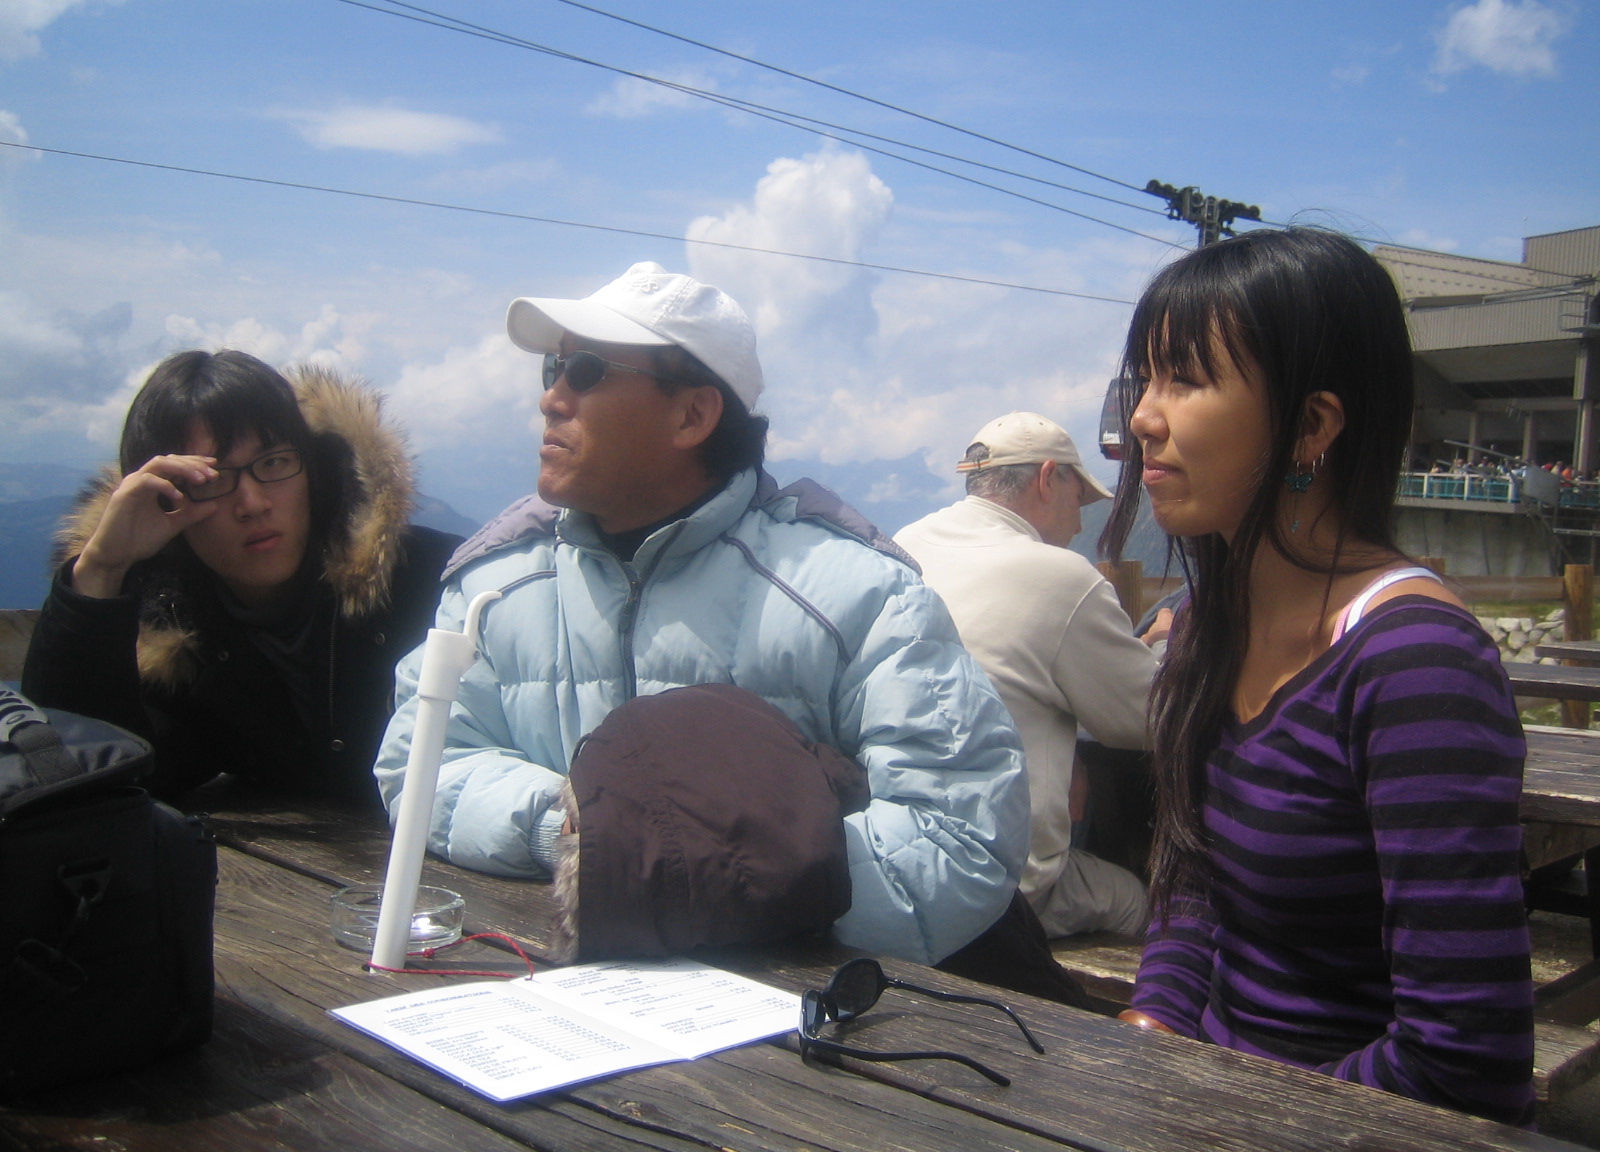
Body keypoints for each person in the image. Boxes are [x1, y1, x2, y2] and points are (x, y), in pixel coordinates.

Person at [375, 262, 1033, 971]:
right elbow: (422, 763)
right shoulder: (498, 585)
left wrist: (694, 874)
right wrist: (578, 834)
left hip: (785, 1017)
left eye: (587, 371)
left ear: (692, 415)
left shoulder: (861, 597)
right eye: (553, 368)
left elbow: (960, 836)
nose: (552, 398)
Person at [1104, 229, 1535, 1126]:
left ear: (1312, 426)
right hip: (1211, 1099)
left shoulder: (1415, 666)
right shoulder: (1207, 630)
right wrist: (1154, 1027)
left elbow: (1462, 1061)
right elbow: (1195, 884)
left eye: (1185, 379)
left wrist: (1242, 1116)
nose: (1144, 417)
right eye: (1144, 380)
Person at [22, 349, 460, 808]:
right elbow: (77, 772)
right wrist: (101, 568)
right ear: (165, 502)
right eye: (209, 478)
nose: (252, 504)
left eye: (273, 463)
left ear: (313, 469)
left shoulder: (437, 582)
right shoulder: (179, 637)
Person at [894, 412, 1167, 939]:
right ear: (1047, 478)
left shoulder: (907, 545)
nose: (1080, 525)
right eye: (1078, 500)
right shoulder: (1060, 577)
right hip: (999, 884)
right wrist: (1161, 646)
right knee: (1143, 902)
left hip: (901, 856)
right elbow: (1151, 719)